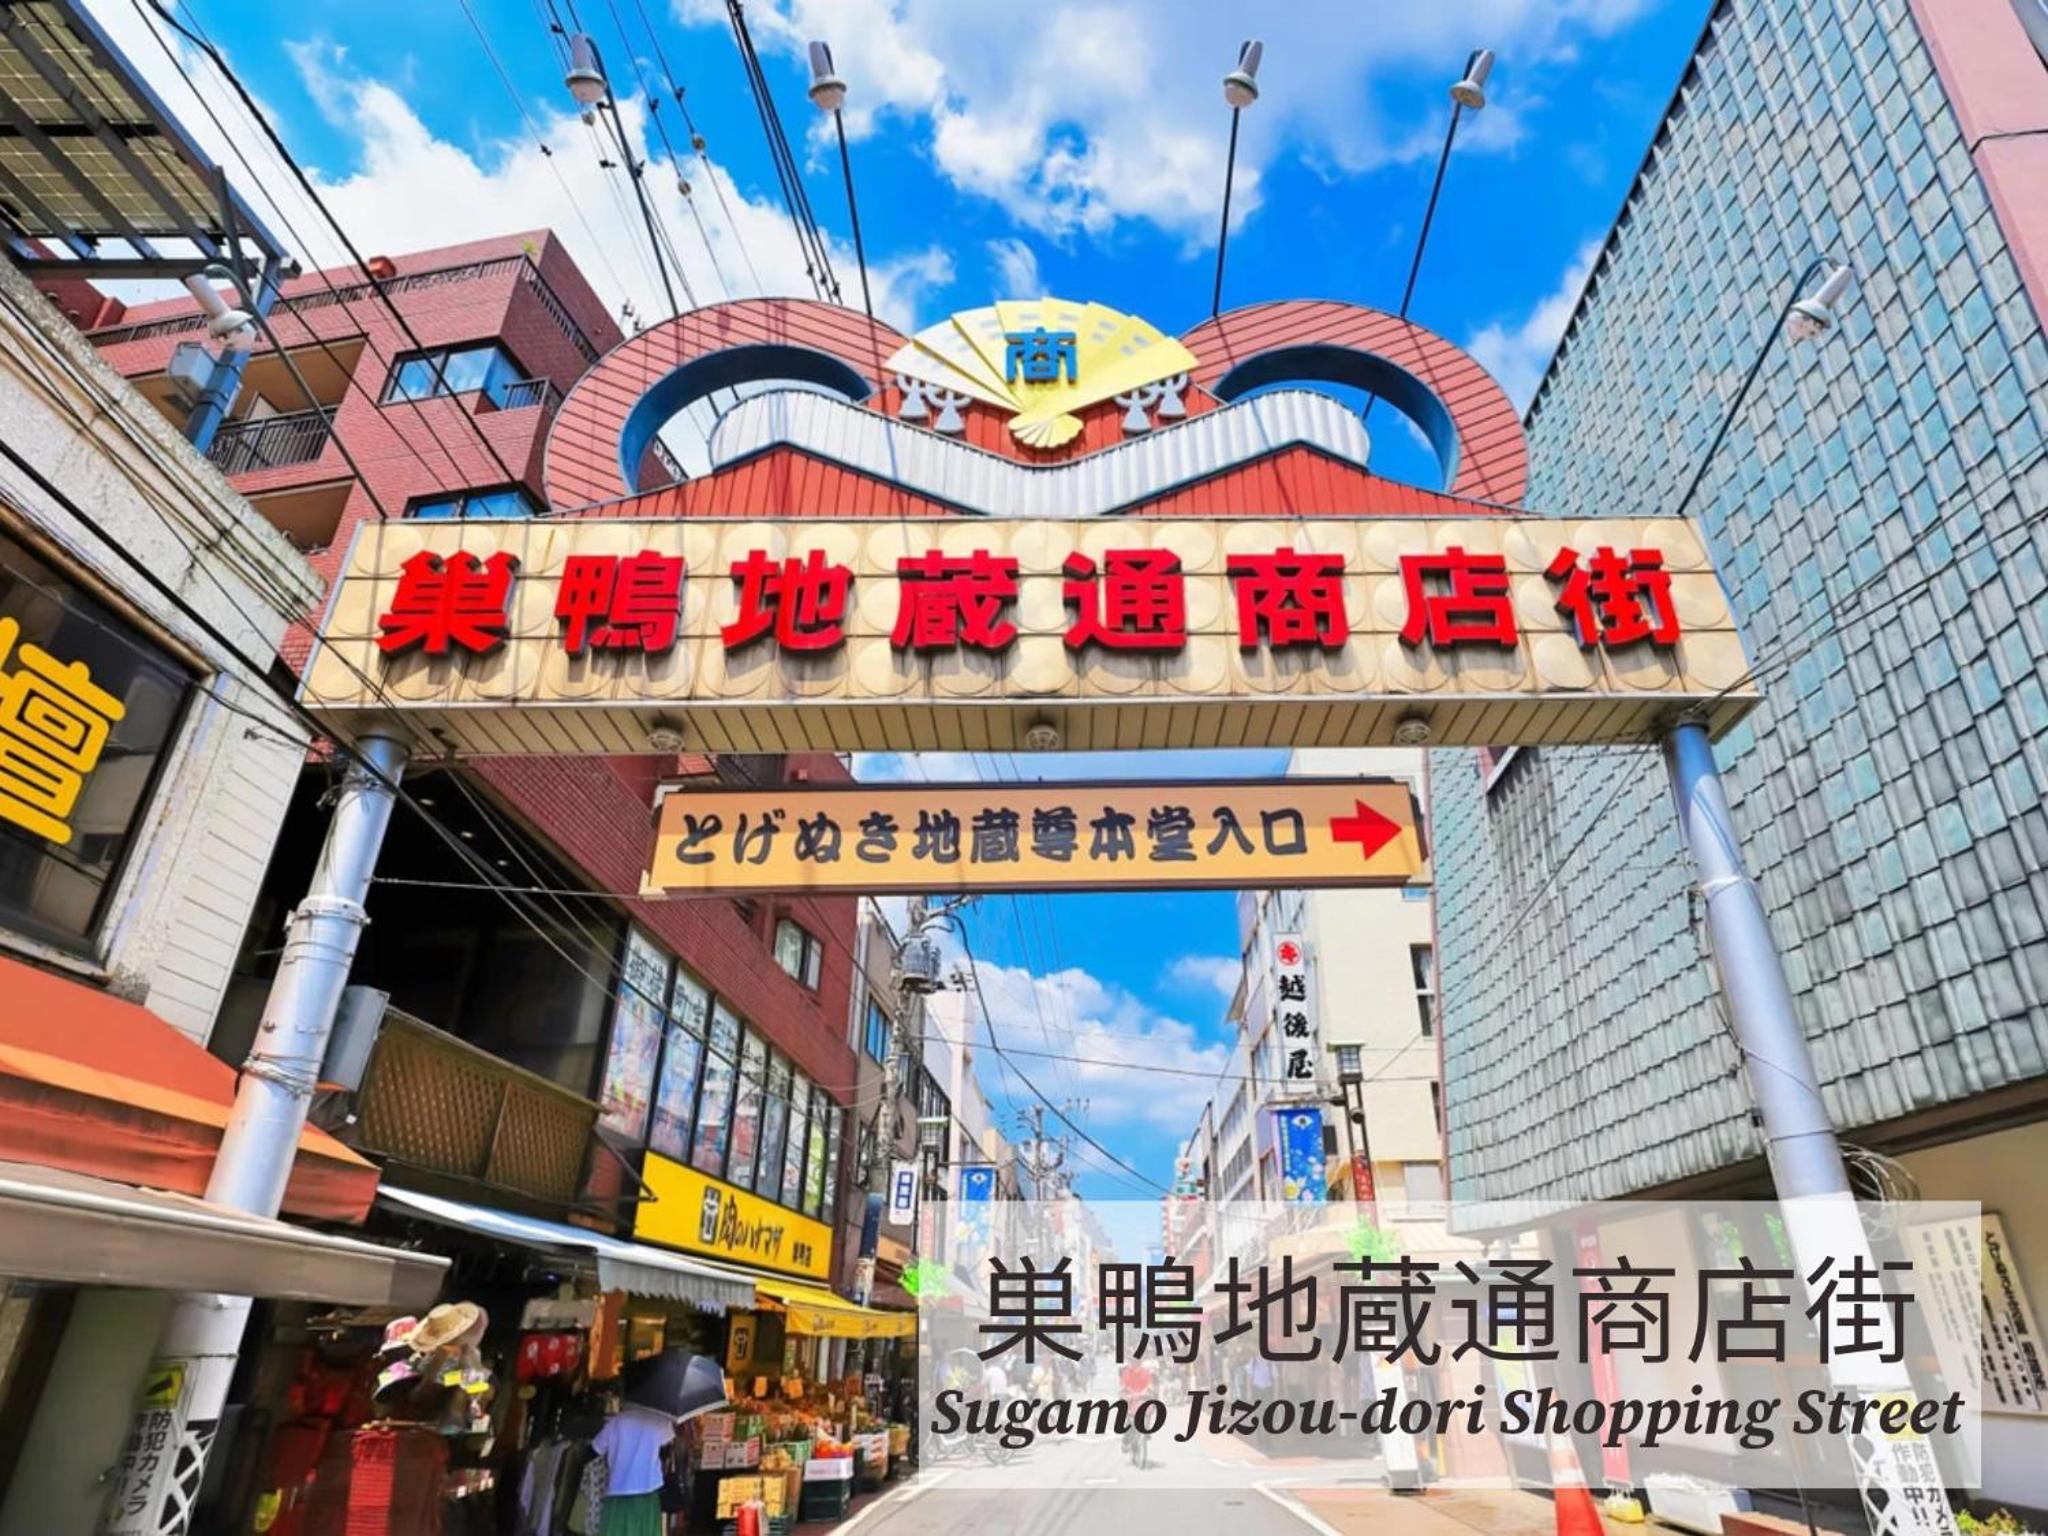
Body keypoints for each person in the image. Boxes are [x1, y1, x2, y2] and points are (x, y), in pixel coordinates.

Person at [589, 1402, 676, 1536]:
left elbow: (595, 1450)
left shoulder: (615, 1423)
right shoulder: (658, 1421)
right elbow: (666, 1449)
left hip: (618, 1490)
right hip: (648, 1490)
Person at [1118, 1357, 1154, 1470]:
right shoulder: (1127, 1372)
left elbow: (1150, 1385)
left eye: (1136, 1361)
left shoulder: (1145, 1372)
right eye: (1132, 1361)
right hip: (1130, 1400)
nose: (1134, 1364)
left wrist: (1147, 1392)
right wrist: (1126, 1393)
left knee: (1150, 1409)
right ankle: (1126, 1440)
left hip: (1142, 1399)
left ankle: (1146, 1430)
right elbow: (1122, 1386)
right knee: (1128, 1421)